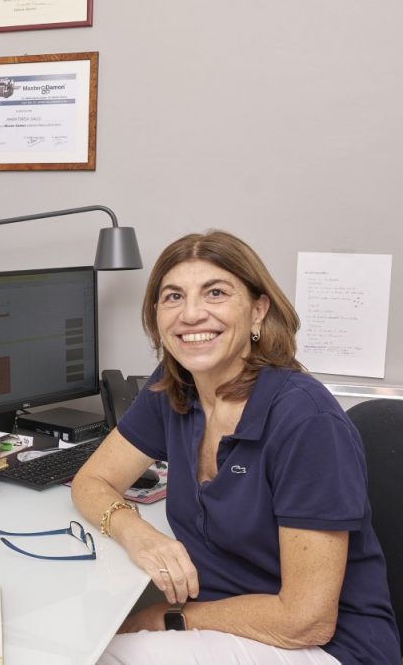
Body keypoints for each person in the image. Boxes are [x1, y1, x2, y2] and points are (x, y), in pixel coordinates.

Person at [72, 230, 399, 664]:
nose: (191, 314)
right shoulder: (174, 388)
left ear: (258, 310)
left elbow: (307, 620)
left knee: (101, 655)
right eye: (173, 297)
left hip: (326, 647)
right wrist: (140, 535)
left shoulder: (306, 421)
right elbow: (92, 480)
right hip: (228, 621)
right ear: (156, 316)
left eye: (216, 293)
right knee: (85, 639)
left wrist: (168, 618)